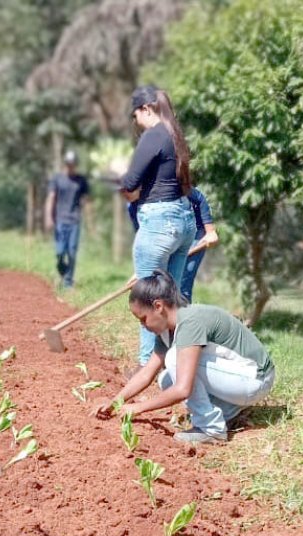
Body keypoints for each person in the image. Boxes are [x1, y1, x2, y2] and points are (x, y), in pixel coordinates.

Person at [92, 270, 275, 444]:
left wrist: (137, 408)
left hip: (256, 380)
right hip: (237, 379)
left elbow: (183, 390)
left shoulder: (189, 322)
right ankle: (227, 411)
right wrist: (116, 402)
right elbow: (147, 373)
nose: (143, 326)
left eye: (143, 319)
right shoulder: (167, 330)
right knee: (166, 379)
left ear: (158, 306)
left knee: (173, 360)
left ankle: (211, 430)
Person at [120, 85, 196, 366]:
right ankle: (177, 362)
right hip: (183, 221)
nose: (136, 123)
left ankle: (145, 367)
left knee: (147, 301)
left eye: (135, 115)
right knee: (172, 300)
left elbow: (130, 183)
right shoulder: (176, 135)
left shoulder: (153, 135)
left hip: (159, 221)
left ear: (146, 109)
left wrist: (118, 179)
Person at [129, 186, 219, 304]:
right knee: (160, 286)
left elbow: (200, 198)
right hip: (165, 239)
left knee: (182, 285)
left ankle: (182, 319)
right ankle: (163, 319)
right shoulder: (132, 207)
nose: (125, 194)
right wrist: (141, 269)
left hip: (194, 234)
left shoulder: (162, 187)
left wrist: (210, 231)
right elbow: (144, 240)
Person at [44, 150, 91, 288]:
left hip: (74, 221)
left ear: (76, 164)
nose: (71, 166)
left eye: (73, 164)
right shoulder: (57, 179)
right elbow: (51, 198)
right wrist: (48, 217)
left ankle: (68, 282)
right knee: (60, 252)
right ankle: (62, 269)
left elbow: (86, 200)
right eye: (69, 164)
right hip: (60, 220)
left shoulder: (81, 181)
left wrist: (90, 220)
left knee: (71, 252)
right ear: (65, 164)